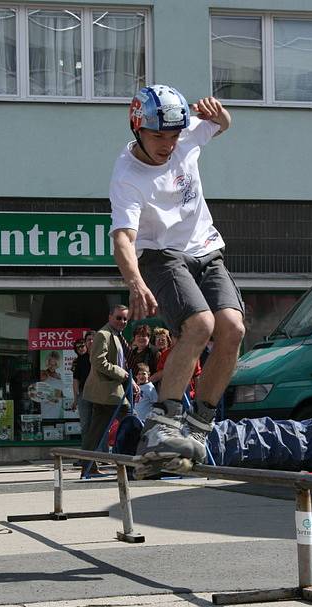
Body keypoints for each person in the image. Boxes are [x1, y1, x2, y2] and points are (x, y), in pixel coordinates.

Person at [109, 85, 245, 473]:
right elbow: (123, 238)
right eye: (158, 137)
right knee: (199, 324)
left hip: (206, 248)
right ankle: (161, 424)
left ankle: (200, 425)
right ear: (138, 128)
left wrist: (218, 113)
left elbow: (221, 125)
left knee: (232, 328)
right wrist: (135, 281)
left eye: (172, 136)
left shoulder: (185, 137)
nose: (167, 145)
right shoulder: (127, 176)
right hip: (160, 254)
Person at [81, 305, 139, 477]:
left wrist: (130, 379)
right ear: (110, 317)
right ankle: (135, 463)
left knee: (97, 431)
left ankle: (88, 467)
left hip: (112, 392)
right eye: (118, 318)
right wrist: (125, 376)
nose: (122, 322)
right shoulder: (103, 334)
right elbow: (99, 361)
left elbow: (123, 363)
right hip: (108, 392)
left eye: (125, 319)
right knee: (132, 423)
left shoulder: (117, 336)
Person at [71, 331, 95, 462]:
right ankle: (85, 456)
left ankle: (102, 455)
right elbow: (76, 380)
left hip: (99, 395)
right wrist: (76, 398)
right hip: (84, 396)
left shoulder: (101, 356)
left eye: (93, 339)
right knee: (86, 425)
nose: (90, 342)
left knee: (99, 425)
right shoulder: (80, 360)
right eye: (88, 340)